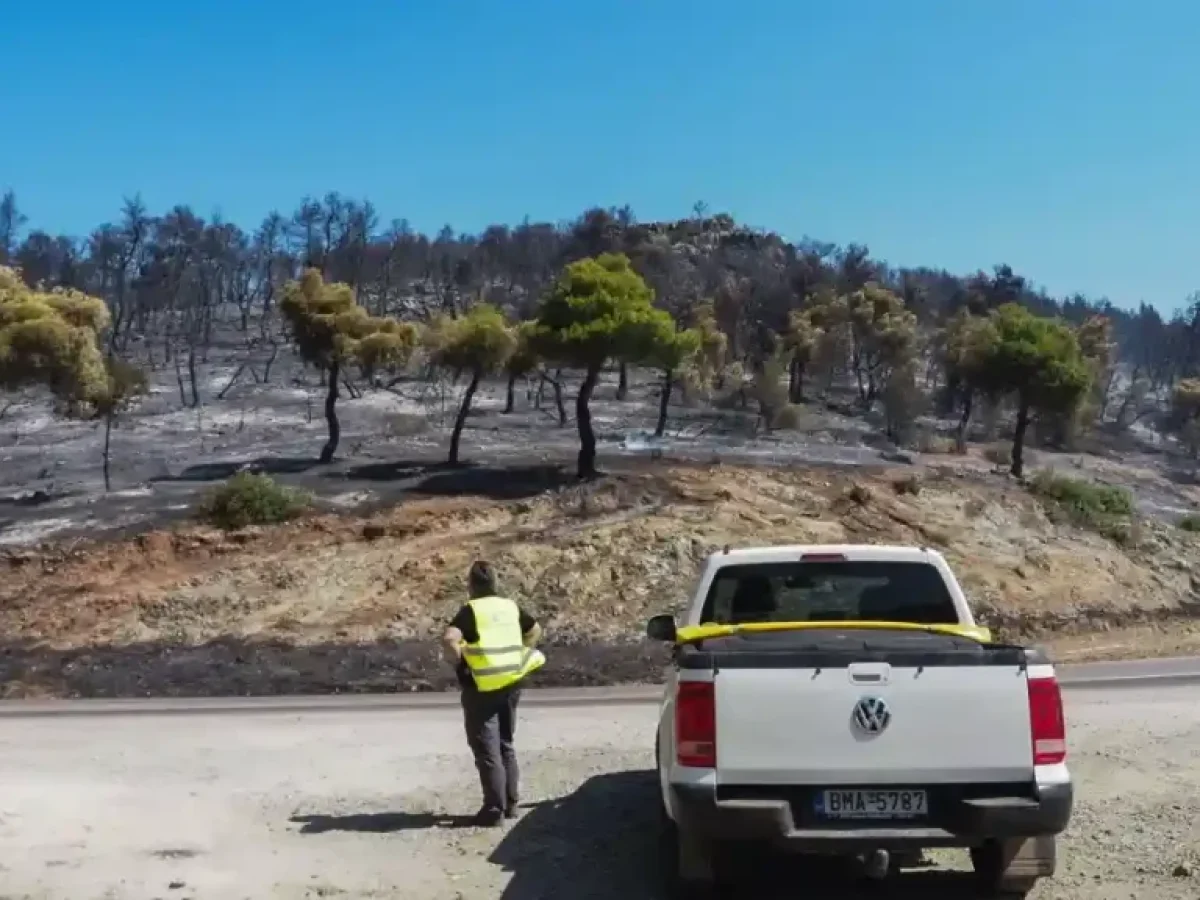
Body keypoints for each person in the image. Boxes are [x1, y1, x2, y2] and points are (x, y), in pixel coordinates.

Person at [442, 560, 545, 826]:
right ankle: (511, 804)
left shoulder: (471, 611)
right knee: (505, 743)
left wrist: (460, 662)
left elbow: (449, 638)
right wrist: (522, 650)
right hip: (512, 681)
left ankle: (493, 810)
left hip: (482, 685)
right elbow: (534, 630)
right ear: (496, 582)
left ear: (471, 585)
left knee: (486, 748)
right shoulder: (509, 607)